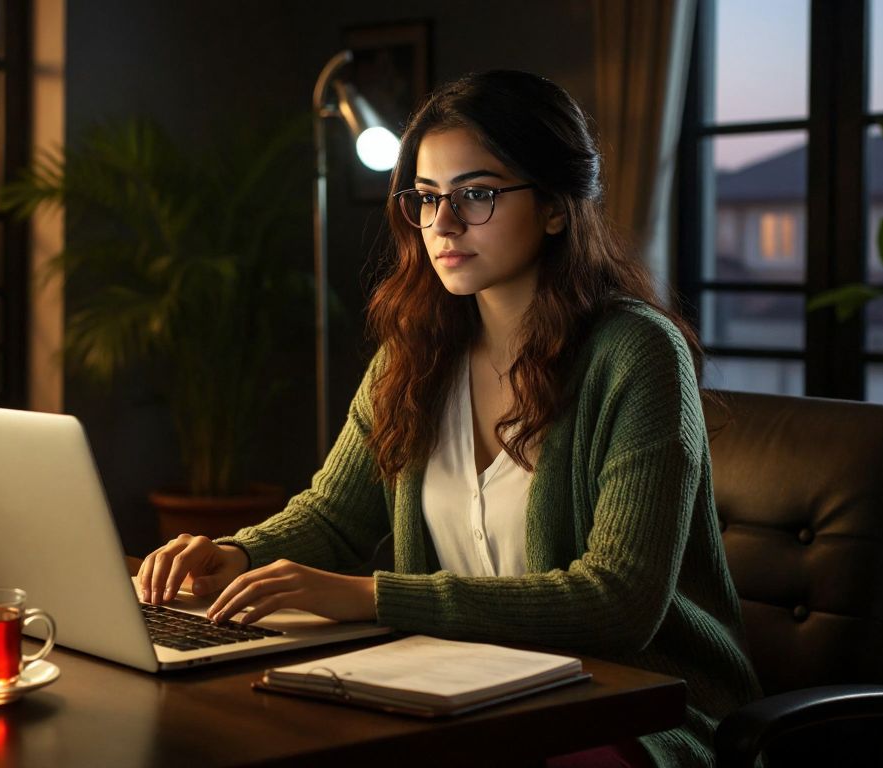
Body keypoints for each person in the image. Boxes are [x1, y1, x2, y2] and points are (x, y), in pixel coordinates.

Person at [137, 70, 760, 767]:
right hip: (465, 694)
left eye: (478, 194)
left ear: (556, 206)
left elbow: (617, 602)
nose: (443, 224)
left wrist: (373, 597)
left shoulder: (637, 353)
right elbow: (335, 516)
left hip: (635, 710)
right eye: (427, 198)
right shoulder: (416, 353)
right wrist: (238, 553)